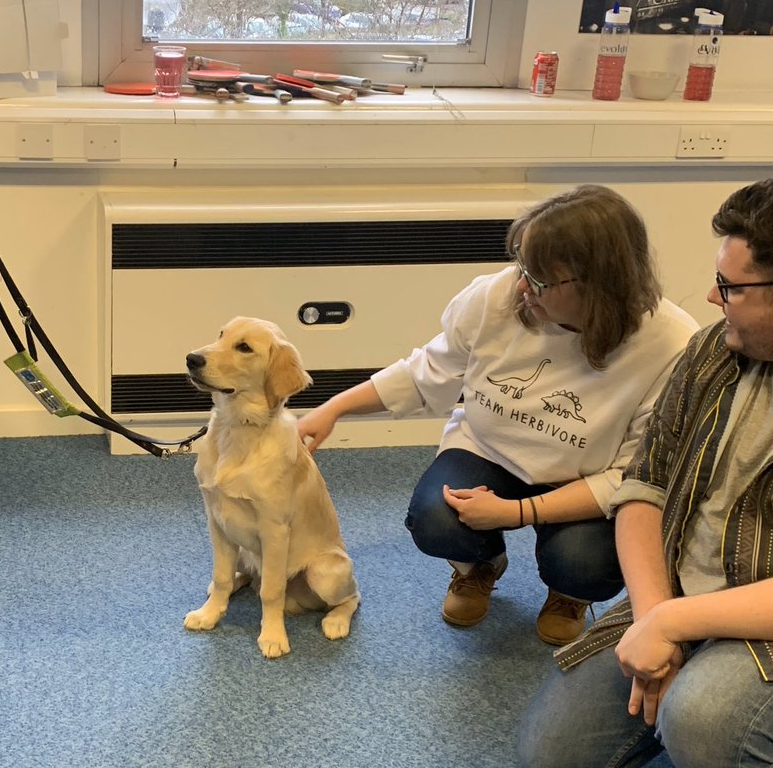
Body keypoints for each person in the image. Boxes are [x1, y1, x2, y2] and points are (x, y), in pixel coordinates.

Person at [297, 186, 697, 646]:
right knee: (434, 520)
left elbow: (631, 477)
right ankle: (480, 567)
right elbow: (426, 373)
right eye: (522, 266)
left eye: (540, 279)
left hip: (588, 476)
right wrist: (333, 409)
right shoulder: (497, 295)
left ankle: (568, 594)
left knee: (587, 563)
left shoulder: (670, 344)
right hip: (489, 450)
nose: (522, 286)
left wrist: (517, 512)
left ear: (599, 285)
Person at [518, 178, 773, 768]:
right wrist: (657, 615)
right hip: (684, 595)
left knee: (705, 728)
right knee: (554, 762)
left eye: (732, 286)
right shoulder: (714, 350)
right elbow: (644, 484)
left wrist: (672, 624)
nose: (713, 297)